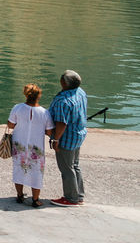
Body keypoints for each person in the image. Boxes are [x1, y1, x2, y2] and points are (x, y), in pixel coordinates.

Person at [6, 83, 53, 206]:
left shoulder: (17, 108)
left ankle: (20, 195)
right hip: (36, 147)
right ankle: (35, 199)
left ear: (26, 95)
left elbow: (10, 125)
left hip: (19, 144)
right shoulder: (45, 112)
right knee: (37, 171)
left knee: (18, 168)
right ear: (39, 96)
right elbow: (49, 132)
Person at [49, 69, 88, 206]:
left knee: (66, 169)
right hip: (78, 135)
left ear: (64, 83)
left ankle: (71, 198)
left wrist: (56, 139)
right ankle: (79, 195)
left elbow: (61, 123)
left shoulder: (63, 101)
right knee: (75, 165)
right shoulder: (80, 92)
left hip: (66, 138)